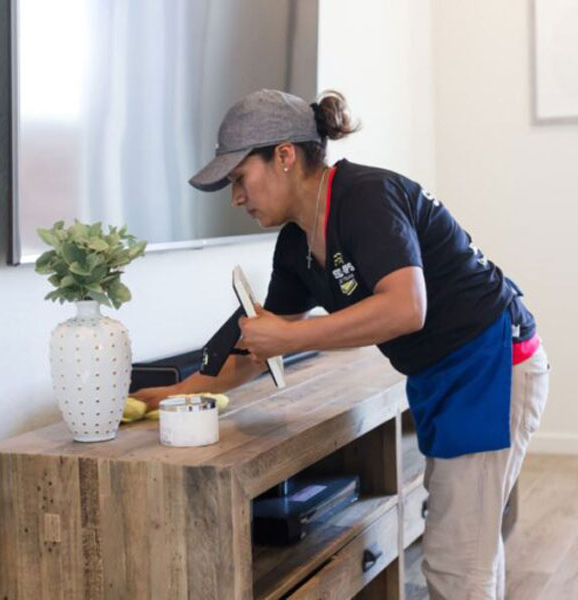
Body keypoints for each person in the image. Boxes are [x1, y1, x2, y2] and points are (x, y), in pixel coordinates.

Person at [131, 89, 550, 599]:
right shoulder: (295, 244)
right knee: (469, 556)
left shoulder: (364, 198)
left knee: (456, 567)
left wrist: (290, 336)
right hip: (448, 374)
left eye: (240, 178)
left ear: (284, 156)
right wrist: (179, 394)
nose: (236, 197)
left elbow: (404, 307)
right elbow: (258, 345)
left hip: (489, 367)